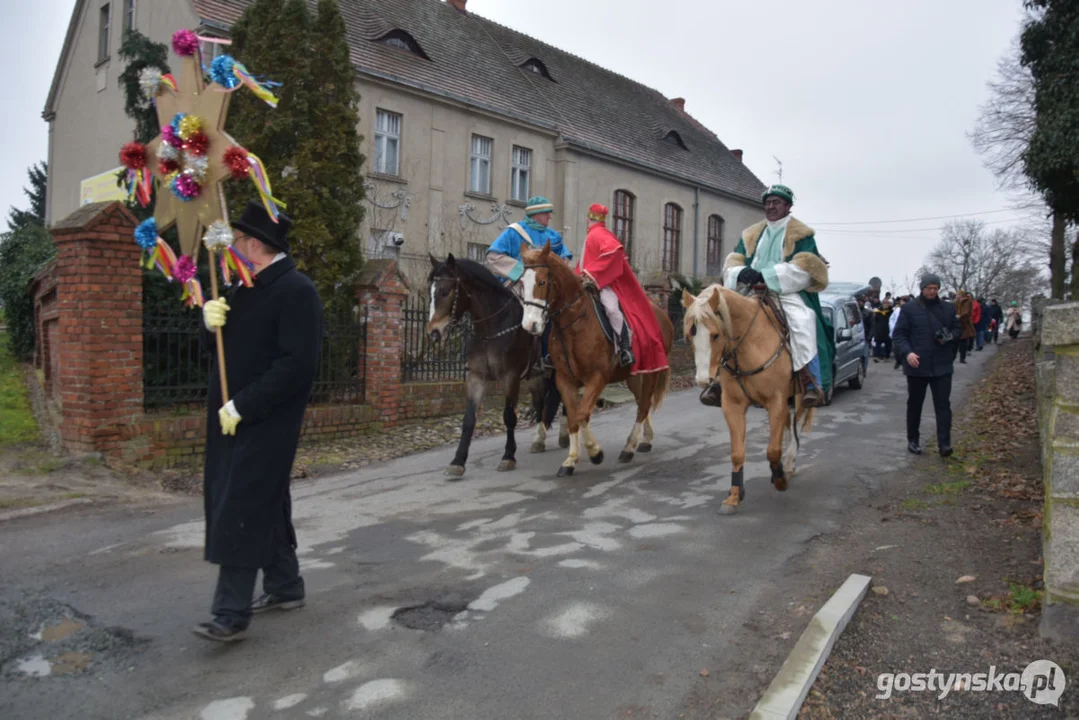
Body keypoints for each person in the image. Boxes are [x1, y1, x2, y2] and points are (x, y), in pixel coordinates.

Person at [194, 201, 323, 642]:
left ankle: (230, 613)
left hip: (266, 419)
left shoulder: (296, 290)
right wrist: (209, 325)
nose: (232, 249)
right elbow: (223, 353)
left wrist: (243, 406)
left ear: (255, 244)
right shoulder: (243, 288)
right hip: (232, 421)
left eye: (238, 241)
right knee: (265, 498)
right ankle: (286, 585)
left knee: (242, 504)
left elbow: (297, 365)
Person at [705, 183, 833, 407]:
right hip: (749, 290)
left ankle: (811, 381)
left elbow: (804, 269)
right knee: (721, 320)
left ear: (788, 206)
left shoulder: (802, 234)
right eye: (768, 203)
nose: (771, 206)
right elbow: (734, 260)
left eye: (776, 202)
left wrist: (767, 275)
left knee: (804, 321)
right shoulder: (752, 233)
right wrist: (740, 272)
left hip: (783, 292)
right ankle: (716, 379)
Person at [575, 203, 667, 372]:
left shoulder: (599, 234)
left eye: (588, 219)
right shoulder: (591, 235)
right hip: (586, 285)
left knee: (611, 309)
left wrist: (592, 274)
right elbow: (582, 264)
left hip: (604, 285)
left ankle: (625, 348)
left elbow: (614, 253)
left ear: (588, 219)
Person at [486, 196, 573, 369]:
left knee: (554, 316)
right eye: (546, 214)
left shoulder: (553, 237)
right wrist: (523, 273)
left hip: (542, 289)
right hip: (516, 286)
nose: (549, 217)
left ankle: (548, 357)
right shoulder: (514, 232)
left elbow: (564, 259)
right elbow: (493, 256)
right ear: (535, 214)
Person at [893, 274, 960, 457]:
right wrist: (908, 353)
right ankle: (913, 440)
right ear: (922, 288)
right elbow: (899, 335)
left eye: (935, 288)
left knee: (943, 406)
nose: (932, 291)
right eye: (929, 288)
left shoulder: (947, 308)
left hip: (942, 364)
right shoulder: (909, 309)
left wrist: (949, 336)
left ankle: (944, 444)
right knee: (915, 404)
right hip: (917, 365)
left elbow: (957, 329)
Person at [954, 291, 974, 364]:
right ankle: (953, 357)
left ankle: (962, 358)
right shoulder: (955, 302)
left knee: (963, 342)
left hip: (965, 324)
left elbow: (967, 312)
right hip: (957, 323)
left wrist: (960, 316)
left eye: (958, 294)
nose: (956, 296)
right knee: (955, 342)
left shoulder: (967, 302)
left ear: (961, 295)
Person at [890, 295, 908, 369]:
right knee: (896, 348)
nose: (903, 303)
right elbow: (891, 320)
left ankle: (904, 363)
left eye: (904, 301)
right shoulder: (897, 310)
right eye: (902, 301)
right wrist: (892, 329)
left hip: (906, 332)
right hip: (897, 332)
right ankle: (898, 360)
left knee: (905, 348)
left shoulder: (910, 310)